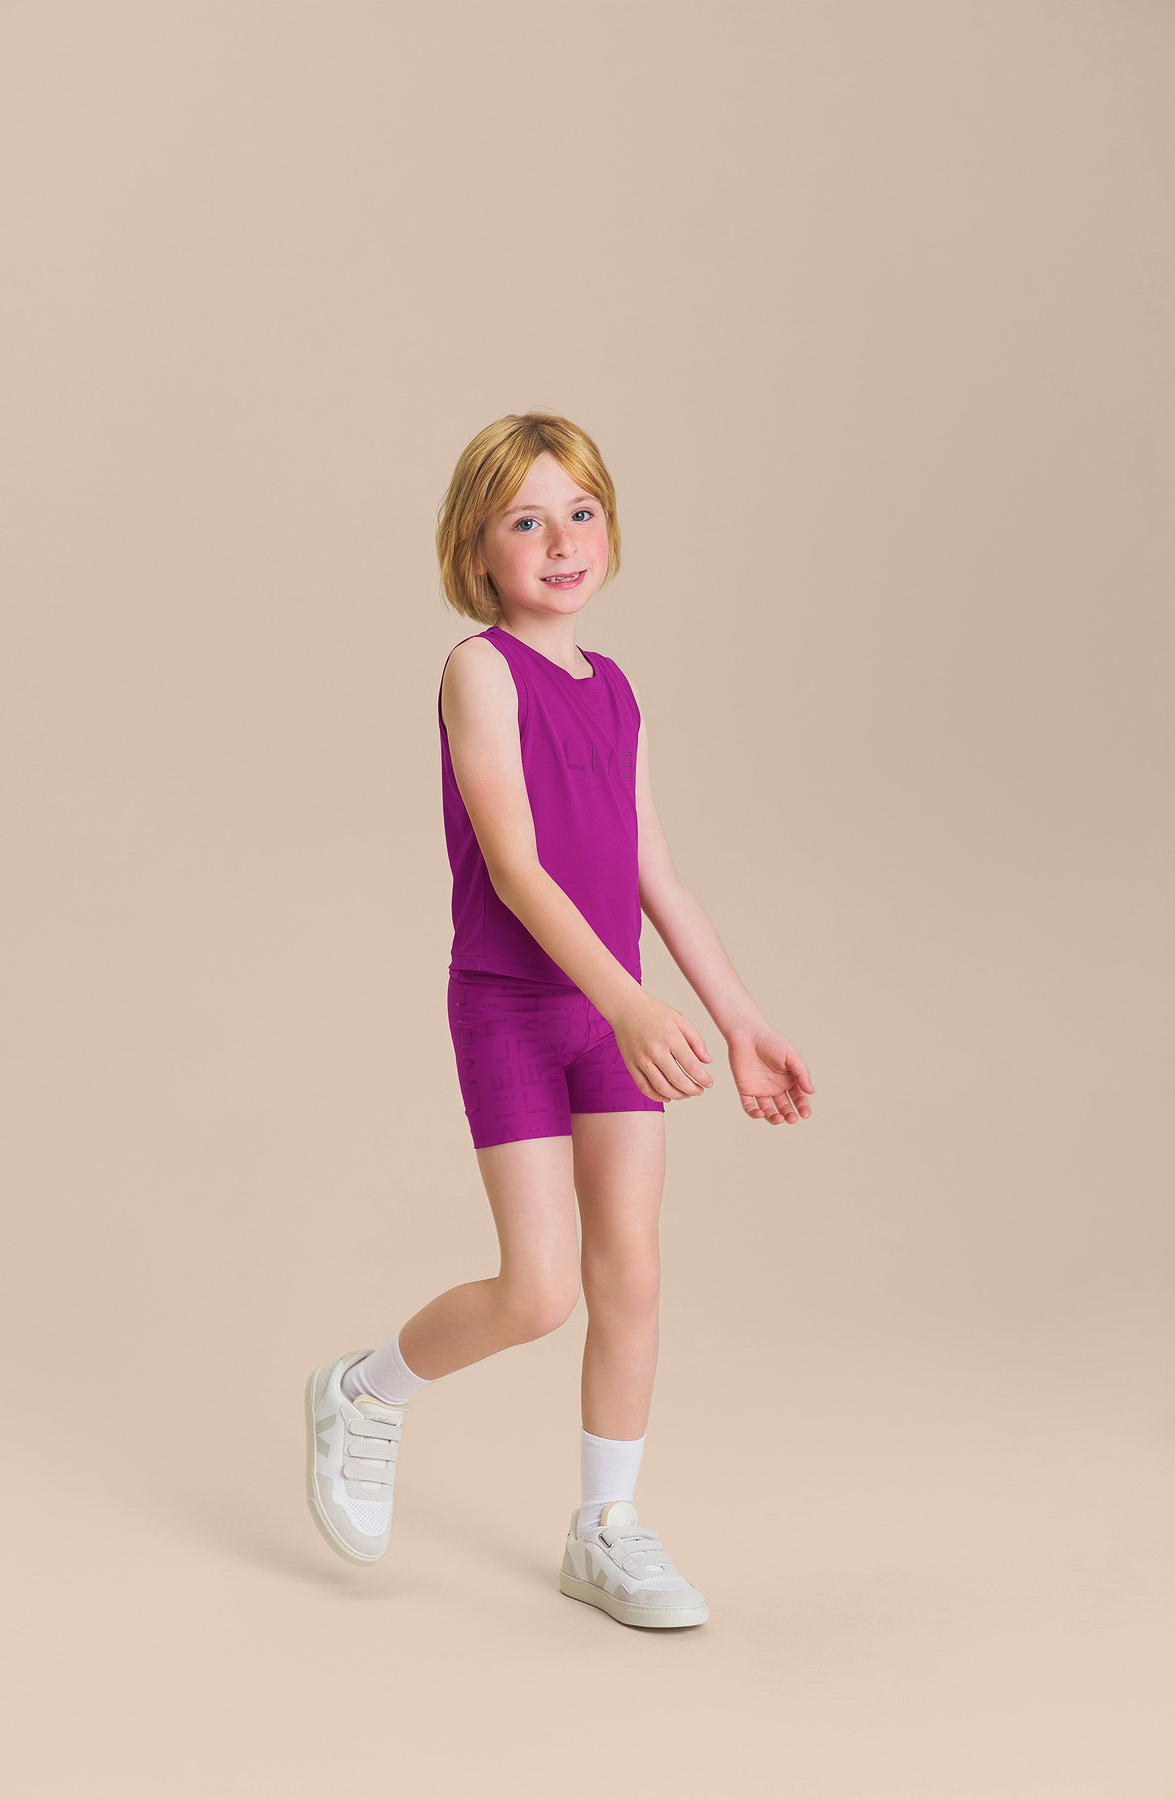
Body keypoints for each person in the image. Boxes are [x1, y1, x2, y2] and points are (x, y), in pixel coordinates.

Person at [306, 411, 814, 1630]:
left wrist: (739, 1021)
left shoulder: (617, 688)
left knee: (630, 1273)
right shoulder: (478, 671)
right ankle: (364, 1392)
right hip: (517, 1010)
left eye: (580, 513)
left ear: (611, 530)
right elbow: (517, 866)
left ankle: (607, 1526)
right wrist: (630, 1000)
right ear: (477, 550)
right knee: (539, 1293)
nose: (561, 541)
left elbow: (656, 875)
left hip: (612, 1019)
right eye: (526, 522)